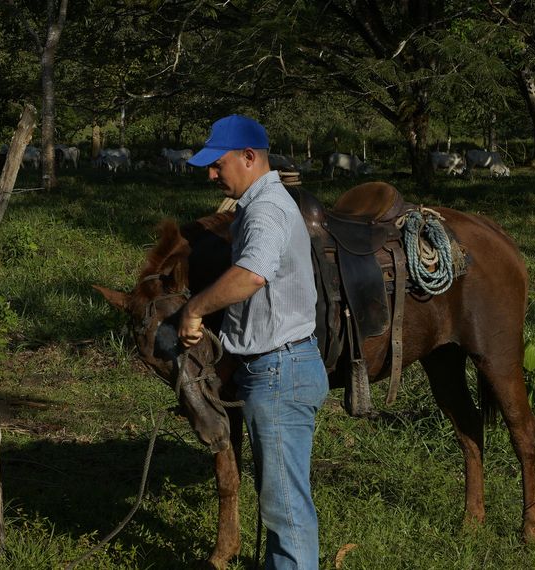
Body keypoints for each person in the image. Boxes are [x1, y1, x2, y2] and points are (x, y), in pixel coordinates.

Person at [179, 114, 329, 570]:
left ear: (249, 157)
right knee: (280, 500)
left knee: (285, 507)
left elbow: (251, 275)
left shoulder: (265, 210)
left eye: (217, 164)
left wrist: (195, 309)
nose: (211, 174)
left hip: (279, 372)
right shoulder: (260, 205)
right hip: (278, 367)